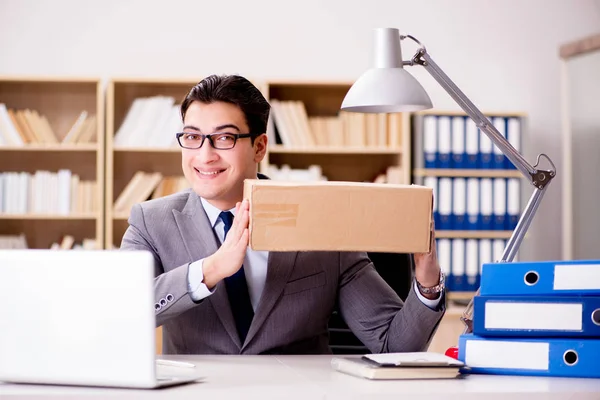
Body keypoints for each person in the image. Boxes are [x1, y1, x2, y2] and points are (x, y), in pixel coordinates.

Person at [120, 74, 446, 355]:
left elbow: (393, 345)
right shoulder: (150, 221)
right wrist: (211, 269)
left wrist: (427, 282)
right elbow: (127, 312)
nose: (204, 155)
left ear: (260, 147)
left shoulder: (323, 219)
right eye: (192, 137)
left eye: (224, 138)